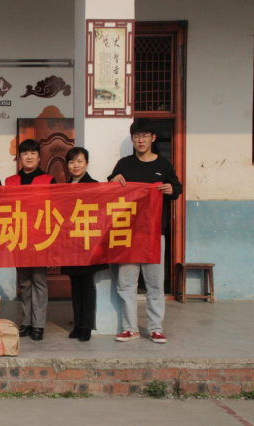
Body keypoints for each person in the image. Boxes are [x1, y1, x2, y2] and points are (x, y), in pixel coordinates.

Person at [108, 118, 182, 344]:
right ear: (132, 139)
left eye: (144, 136)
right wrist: (113, 179)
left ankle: (155, 328)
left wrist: (171, 189)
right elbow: (110, 188)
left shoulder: (163, 165)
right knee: (126, 283)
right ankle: (130, 328)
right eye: (136, 136)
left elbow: (177, 188)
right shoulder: (124, 164)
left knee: (155, 283)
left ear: (153, 138)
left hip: (154, 234)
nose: (140, 140)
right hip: (127, 233)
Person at [4, 139, 55, 341]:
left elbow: (55, 211)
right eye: (25, 153)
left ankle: (39, 324)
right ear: (19, 157)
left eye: (33, 153)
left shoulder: (49, 180)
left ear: (39, 157)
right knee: (24, 281)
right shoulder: (10, 181)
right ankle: (26, 322)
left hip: (41, 239)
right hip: (18, 237)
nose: (29, 156)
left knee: (39, 280)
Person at [60, 147, 108, 342]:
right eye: (72, 162)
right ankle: (77, 324)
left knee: (87, 284)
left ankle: (87, 326)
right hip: (70, 242)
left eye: (79, 161)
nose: (75, 165)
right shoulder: (64, 188)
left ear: (87, 163)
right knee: (75, 284)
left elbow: (101, 214)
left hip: (88, 242)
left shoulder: (94, 185)